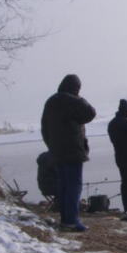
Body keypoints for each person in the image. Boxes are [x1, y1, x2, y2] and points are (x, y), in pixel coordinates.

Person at [41, 74, 96, 232]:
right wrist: (78, 98)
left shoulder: (51, 101)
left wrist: (51, 146)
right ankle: (71, 221)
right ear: (76, 88)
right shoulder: (72, 100)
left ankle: (66, 220)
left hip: (57, 152)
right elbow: (90, 113)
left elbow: (44, 127)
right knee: (74, 186)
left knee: (63, 186)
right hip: (72, 151)